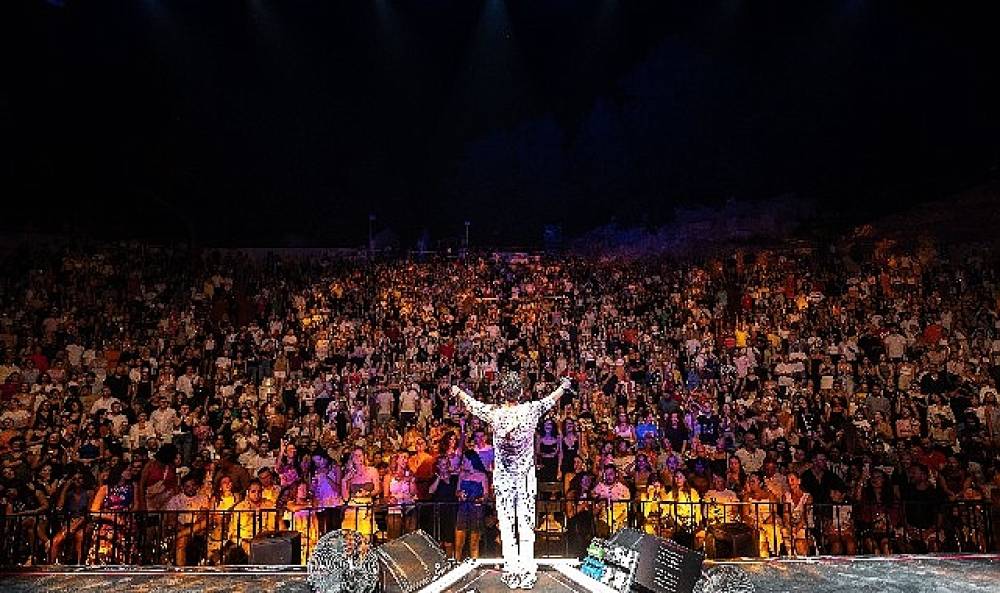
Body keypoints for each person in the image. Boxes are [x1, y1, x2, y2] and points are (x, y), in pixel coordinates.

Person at [452, 373, 571, 589]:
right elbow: (551, 399)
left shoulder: (495, 413)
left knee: (507, 525)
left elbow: (473, 405)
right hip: (524, 479)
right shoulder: (531, 409)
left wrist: (458, 391)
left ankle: (512, 570)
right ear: (521, 392)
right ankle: (526, 570)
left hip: (505, 479)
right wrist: (564, 386)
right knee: (526, 524)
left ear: (502, 392)